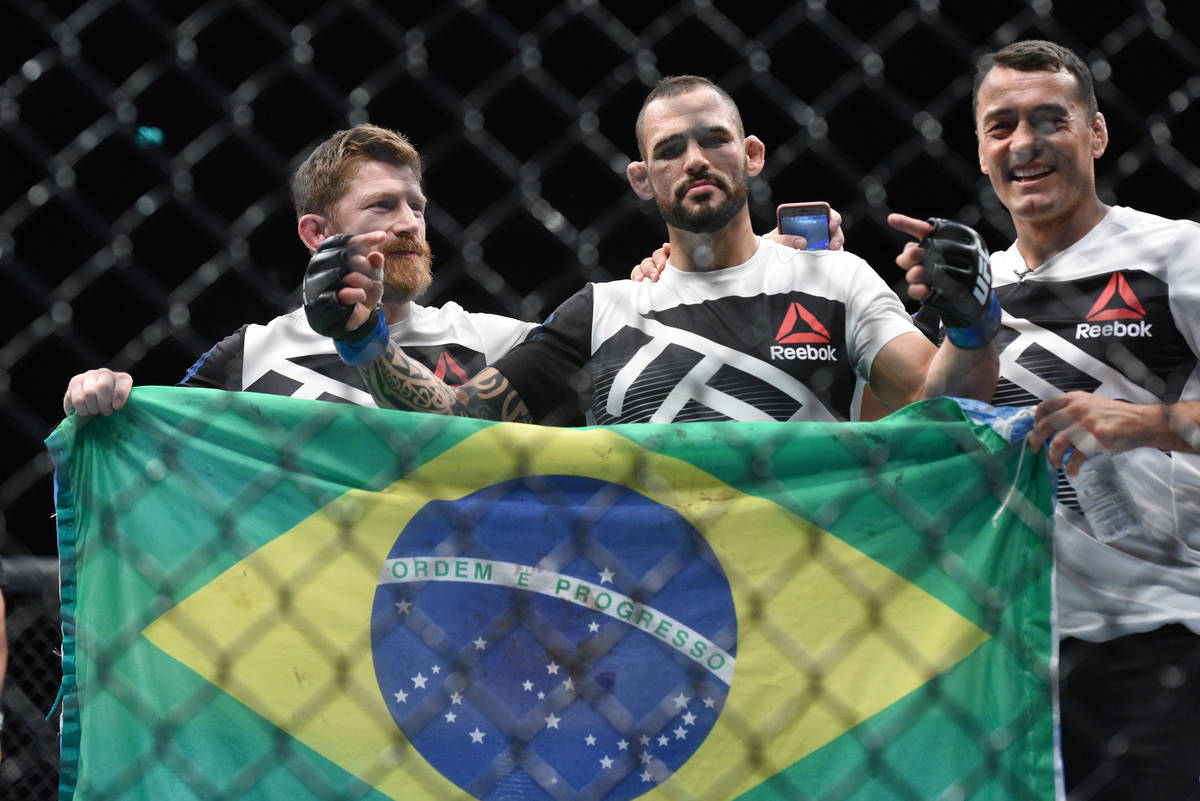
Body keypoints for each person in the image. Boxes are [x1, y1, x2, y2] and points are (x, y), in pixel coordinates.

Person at [318, 75, 999, 425]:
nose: (695, 160)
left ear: (751, 154)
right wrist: (367, 343)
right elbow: (461, 421)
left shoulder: (834, 278)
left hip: (815, 614)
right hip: (657, 637)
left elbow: (940, 405)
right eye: (670, 150)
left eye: (714, 140)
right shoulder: (603, 311)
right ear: (643, 179)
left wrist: (971, 324)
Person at [890, 40, 1200, 801]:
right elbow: (937, 438)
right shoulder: (981, 288)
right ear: (981, 149)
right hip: (1009, 654)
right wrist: (966, 328)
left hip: (1161, 635)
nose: (1023, 143)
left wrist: (1146, 422)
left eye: (1047, 120)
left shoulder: (1174, 253)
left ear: (1094, 134)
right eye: (1000, 127)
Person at [63, 125, 537, 417]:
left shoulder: (492, 340)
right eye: (383, 206)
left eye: (417, 206)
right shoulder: (251, 354)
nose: (410, 224)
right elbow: (158, 438)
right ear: (317, 234)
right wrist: (106, 398)